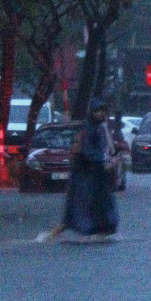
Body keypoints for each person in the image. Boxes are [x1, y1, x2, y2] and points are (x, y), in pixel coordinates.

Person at [47, 101, 120, 243]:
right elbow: (88, 152)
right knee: (81, 207)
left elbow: (103, 150)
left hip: (94, 175)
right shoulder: (89, 129)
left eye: (102, 111)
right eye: (97, 111)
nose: (101, 114)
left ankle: (97, 232)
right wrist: (103, 162)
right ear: (92, 112)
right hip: (85, 174)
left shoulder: (99, 128)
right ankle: (52, 236)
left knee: (95, 207)